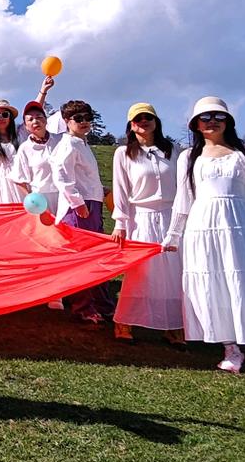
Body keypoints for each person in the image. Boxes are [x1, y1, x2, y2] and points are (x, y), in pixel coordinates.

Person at [163, 97, 245, 384]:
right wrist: (173, 235)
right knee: (214, 285)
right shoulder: (189, 157)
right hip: (202, 226)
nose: (212, 121)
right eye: (205, 117)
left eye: (218, 116)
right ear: (196, 125)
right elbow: (183, 200)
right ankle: (231, 350)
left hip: (240, 224)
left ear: (228, 121)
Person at [110, 103, 184, 344]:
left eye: (148, 118)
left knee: (173, 271)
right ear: (131, 125)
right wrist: (120, 222)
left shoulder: (173, 150)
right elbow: (120, 190)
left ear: (156, 121)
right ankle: (124, 321)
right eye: (138, 119)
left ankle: (173, 326)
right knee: (141, 273)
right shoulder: (124, 153)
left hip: (170, 216)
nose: (143, 122)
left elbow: (184, 186)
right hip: (141, 217)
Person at [50, 99, 114, 325]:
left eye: (88, 118)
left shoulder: (82, 143)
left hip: (92, 203)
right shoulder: (67, 145)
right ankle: (82, 307)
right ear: (67, 121)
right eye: (78, 119)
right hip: (77, 208)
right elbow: (62, 177)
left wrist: (100, 189)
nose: (85, 122)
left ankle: (100, 304)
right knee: (82, 257)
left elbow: (84, 177)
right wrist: (78, 203)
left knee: (95, 255)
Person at [11, 100, 62, 217]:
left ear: (45, 120)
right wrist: (32, 199)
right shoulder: (25, 148)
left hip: (64, 195)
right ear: (26, 126)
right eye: (30, 119)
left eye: (39, 117)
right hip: (41, 198)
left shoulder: (61, 140)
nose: (35, 121)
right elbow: (19, 179)